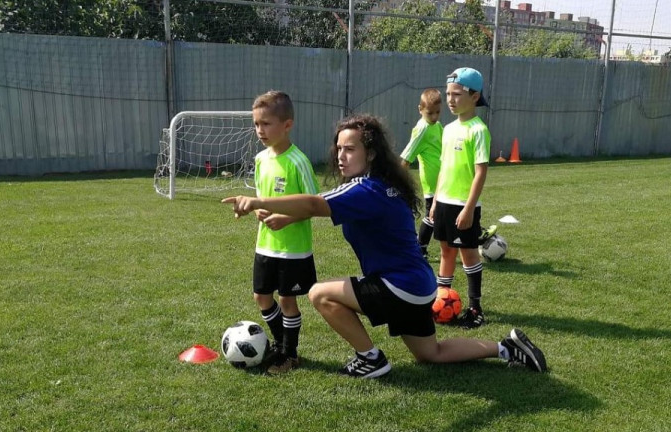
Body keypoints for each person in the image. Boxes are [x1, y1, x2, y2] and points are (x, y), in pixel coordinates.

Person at [223, 113, 547, 378]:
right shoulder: (383, 187)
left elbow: (312, 205)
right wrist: (284, 216)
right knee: (429, 353)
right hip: (419, 285)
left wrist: (255, 202)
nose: (340, 155)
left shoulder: (366, 190)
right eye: (338, 148)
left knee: (319, 293)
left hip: (401, 286)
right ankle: (507, 347)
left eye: (350, 149)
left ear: (371, 154)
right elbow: (317, 209)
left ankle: (370, 359)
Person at [247, 90, 319, 374]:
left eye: (266, 124)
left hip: (293, 247)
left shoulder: (298, 161)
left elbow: (315, 205)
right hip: (264, 245)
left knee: (288, 299)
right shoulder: (260, 159)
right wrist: (256, 210)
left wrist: (287, 219)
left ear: (287, 125)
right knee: (261, 297)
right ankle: (281, 342)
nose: (260, 130)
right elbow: (259, 196)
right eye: (256, 124)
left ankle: (289, 353)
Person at [430, 67, 492, 329]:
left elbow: (480, 173)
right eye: (448, 94)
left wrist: (468, 208)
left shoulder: (478, 130)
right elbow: (444, 167)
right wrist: (434, 201)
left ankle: (475, 308)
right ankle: (442, 301)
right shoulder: (447, 129)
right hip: (444, 202)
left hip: (463, 206)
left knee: (468, 254)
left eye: (457, 94)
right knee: (446, 249)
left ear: (475, 96)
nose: (451, 100)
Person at [399, 88, 443, 261]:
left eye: (437, 112)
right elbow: (406, 156)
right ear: (420, 109)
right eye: (430, 113)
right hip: (432, 179)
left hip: (444, 176)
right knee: (433, 213)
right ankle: (420, 247)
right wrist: (398, 180)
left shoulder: (437, 126)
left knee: (442, 212)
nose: (434, 117)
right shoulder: (422, 129)